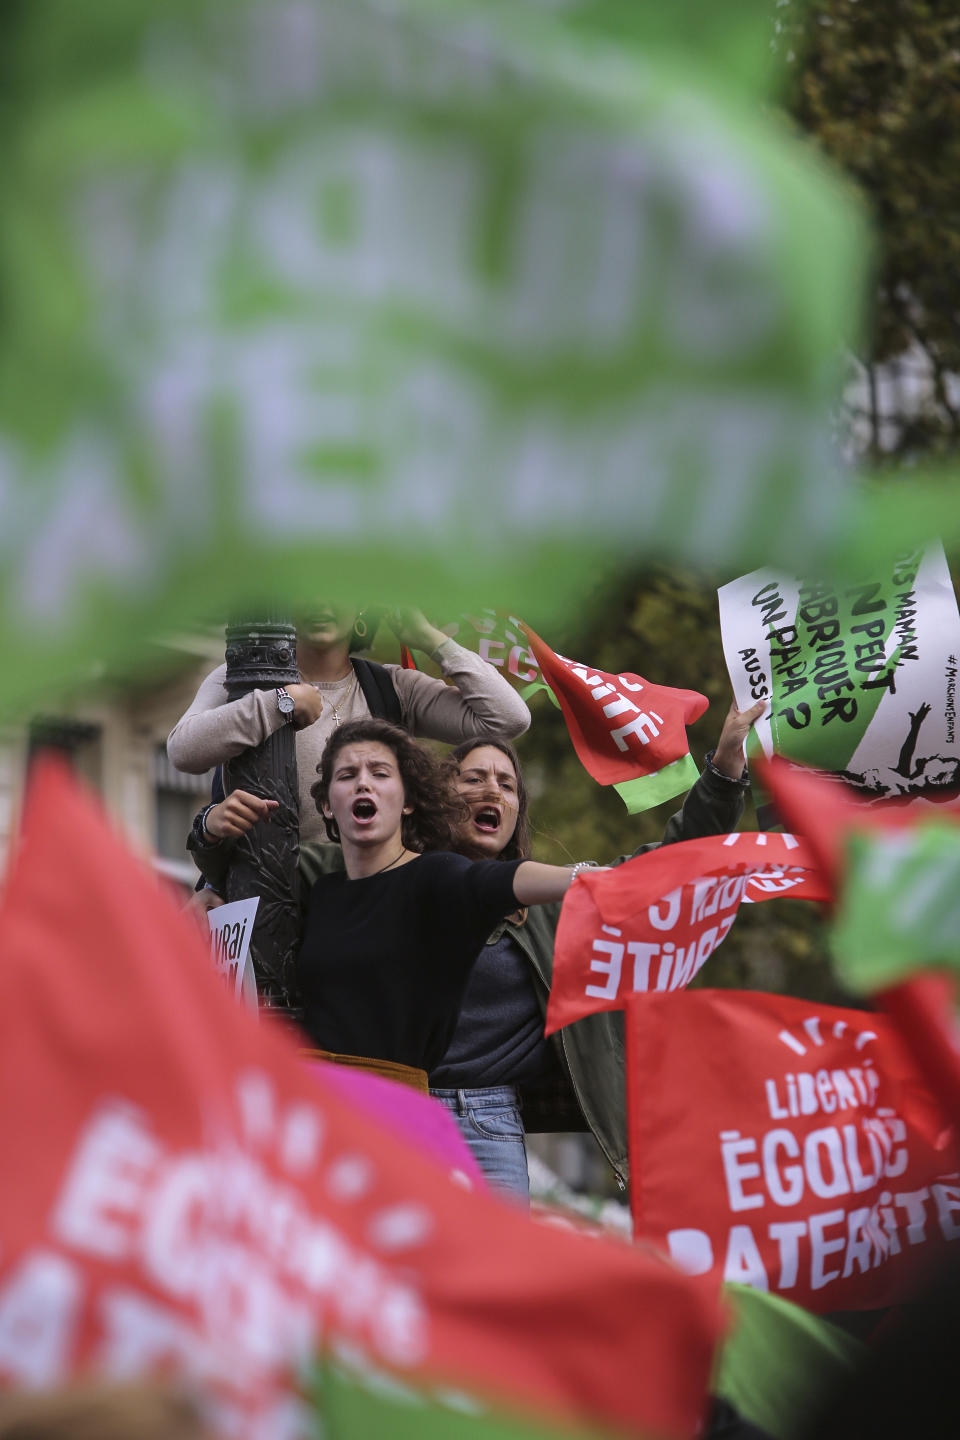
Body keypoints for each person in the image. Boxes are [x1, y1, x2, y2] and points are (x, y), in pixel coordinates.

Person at [426, 698, 764, 1201]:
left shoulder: (558, 903)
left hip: (489, 1121)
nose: (491, 789)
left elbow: (669, 866)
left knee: (497, 1276)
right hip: (397, 1106)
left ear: (517, 810)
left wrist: (726, 764)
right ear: (437, 799)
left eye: (506, 783)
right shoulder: (398, 884)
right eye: (473, 779)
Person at [168, 604, 530, 841]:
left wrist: (430, 639)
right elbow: (183, 750)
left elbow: (507, 719)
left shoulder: (395, 688)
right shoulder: (244, 675)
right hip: (273, 905)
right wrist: (281, 704)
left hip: (368, 905)